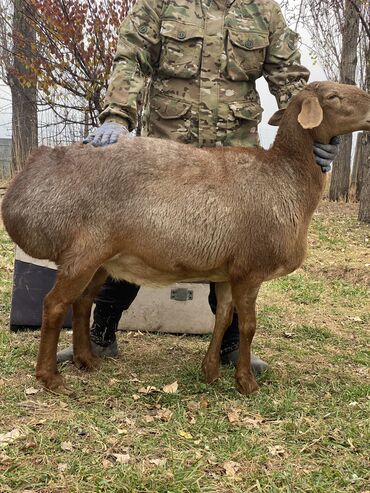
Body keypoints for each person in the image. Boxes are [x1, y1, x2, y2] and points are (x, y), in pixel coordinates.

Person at [57, 0, 339, 371]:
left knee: (233, 251)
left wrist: (314, 134)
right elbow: (132, 57)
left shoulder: (263, 10)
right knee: (133, 240)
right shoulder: (159, 4)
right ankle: (101, 334)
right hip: (169, 154)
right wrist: (117, 115)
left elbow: (289, 77)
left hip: (234, 159)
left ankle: (231, 347)